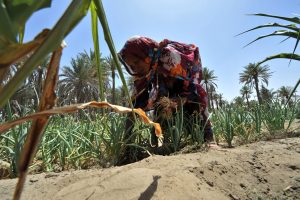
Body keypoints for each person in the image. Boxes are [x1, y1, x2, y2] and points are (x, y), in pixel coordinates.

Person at [118, 36, 213, 152]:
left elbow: (190, 87)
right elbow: (134, 105)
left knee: (193, 109)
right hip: (164, 90)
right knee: (160, 107)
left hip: (185, 86)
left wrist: (176, 102)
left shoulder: (170, 57)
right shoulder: (143, 74)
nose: (135, 68)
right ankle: (158, 143)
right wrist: (126, 143)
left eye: (136, 62)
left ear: (146, 56)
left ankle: (208, 139)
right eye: (131, 66)